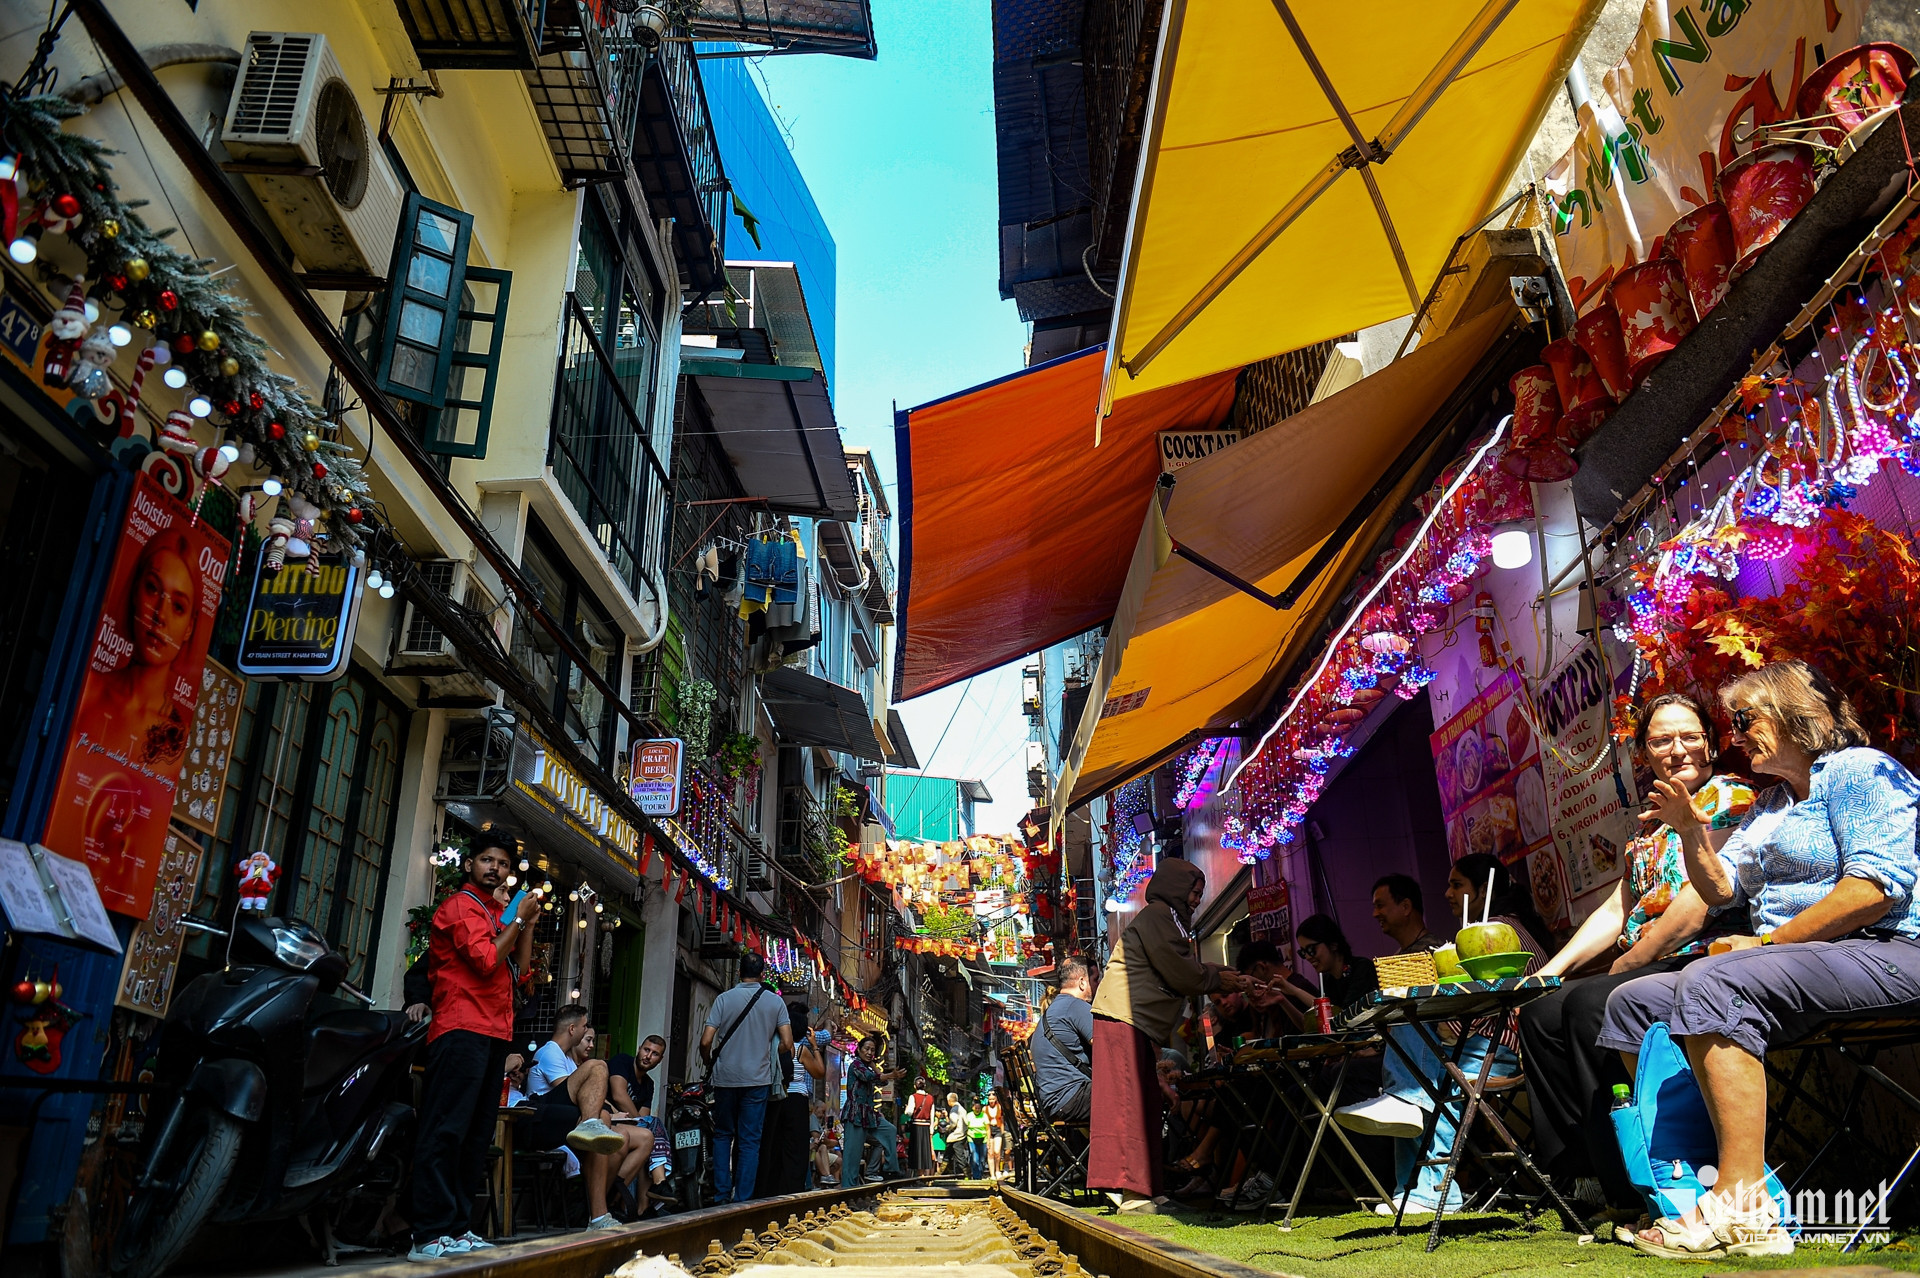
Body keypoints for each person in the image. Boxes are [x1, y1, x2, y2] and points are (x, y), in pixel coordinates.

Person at [1601, 662, 1920, 1260]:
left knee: (1712, 980)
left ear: (1796, 713)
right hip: (1811, 967)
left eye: (1745, 719)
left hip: (1893, 950)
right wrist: (1692, 835)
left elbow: (1875, 888)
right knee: (1633, 1001)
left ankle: (1746, 1210)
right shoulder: (1771, 803)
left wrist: (1769, 946)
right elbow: (1723, 891)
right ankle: (1695, 1185)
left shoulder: (1862, 771)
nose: (1736, 735)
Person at [1521, 693, 1753, 1214]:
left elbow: (1697, 909)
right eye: (1661, 740)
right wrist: (1550, 972)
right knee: (1541, 1012)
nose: (1678, 749)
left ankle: (1632, 1181)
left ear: (1711, 745)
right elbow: (1617, 907)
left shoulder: (1729, 798)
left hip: (1703, 956)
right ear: (1644, 755)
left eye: (1690, 736)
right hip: (1648, 958)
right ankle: (1578, 1175)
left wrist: (1626, 965)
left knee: (1590, 1005)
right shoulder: (1649, 824)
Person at [1335, 854, 1548, 1217]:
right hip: (1479, 1037)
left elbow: (1495, 1002)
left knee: (1428, 1073)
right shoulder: (1479, 932)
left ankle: (1431, 1187)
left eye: (1457, 885)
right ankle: (1411, 1184)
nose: (1447, 893)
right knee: (1416, 1048)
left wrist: (1451, 1025)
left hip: (1505, 1043)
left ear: (1483, 890)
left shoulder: (1500, 930)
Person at [1089, 859, 1249, 1213]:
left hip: (1134, 1019)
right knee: (1128, 1104)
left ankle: (1145, 1187)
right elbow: (1181, 972)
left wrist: (1215, 973)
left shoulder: (1165, 919)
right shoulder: (1160, 915)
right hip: (1124, 1016)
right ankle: (1131, 1191)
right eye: (1193, 892)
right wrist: (1218, 977)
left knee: (1143, 1102)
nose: (1196, 900)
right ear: (1176, 888)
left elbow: (1183, 968)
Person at [408, 831, 539, 1260]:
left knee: (475, 1134)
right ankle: (427, 1233)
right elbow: (485, 961)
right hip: (460, 1027)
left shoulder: (495, 912)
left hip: (494, 1033)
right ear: (470, 865)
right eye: (486, 860)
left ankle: (458, 1226)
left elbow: (519, 970)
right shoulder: (460, 906)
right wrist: (517, 918)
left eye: (502, 863)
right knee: (446, 1129)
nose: (495, 869)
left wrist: (526, 923)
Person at [520, 1007, 636, 1229]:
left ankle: (594, 1212)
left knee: (612, 1131)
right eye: (584, 1027)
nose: (585, 1032)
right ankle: (597, 1214)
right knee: (598, 1067)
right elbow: (573, 1092)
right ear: (572, 1029)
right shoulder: (550, 1052)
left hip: (560, 1114)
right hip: (541, 1113)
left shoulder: (565, 1056)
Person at [700, 951, 792, 1203]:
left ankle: (720, 1194)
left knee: (722, 1135)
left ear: (739, 971)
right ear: (763, 974)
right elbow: (787, 1043)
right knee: (750, 1141)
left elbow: (706, 1040)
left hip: (725, 1078)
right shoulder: (775, 1003)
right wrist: (767, 1050)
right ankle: (742, 1198)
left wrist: (709, 1060)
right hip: (757, 1080)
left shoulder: (723, 999)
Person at [757, 1002, 825, 1197]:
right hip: (796, 1100)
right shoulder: (801, 1050)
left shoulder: (777, 1046)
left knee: (775, 1143)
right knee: (796, 1147)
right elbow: (819, 1072)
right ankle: (792, 1188)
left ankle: (773, 1187)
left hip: (778, 1097)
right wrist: (815, 1047)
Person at [608, 1035, 671, 1213]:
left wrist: (640, 1122)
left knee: (649, 1138)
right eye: (646, 1050)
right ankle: (659, 1183)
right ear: (639, 1048)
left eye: (655, 1054)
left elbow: (643, 1116)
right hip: (607, 1120)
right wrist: (641, 1122)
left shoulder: (649, 1084)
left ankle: (642, 1209)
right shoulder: (622, 1062)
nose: (648, 1056)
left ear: (660, 1059)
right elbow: (619, 1095)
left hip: (629, 1130)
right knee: (652, 1125)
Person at [1030, 959, 1094, 1122]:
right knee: (1139, 1087)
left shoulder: (1053, 1011)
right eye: (1095, 979)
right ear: (1082, 982)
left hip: (1055, 1102)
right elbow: (1107, 1048)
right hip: (1072, 1099)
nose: (1099, 985)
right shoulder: (1076, 1006)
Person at [841, 1034, 907, 1184]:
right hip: (856, 1114)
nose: (870, 1052)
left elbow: (881, 1082)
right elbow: (870, 1077)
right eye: (866, 1049)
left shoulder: (867, 1066)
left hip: (869, 1114)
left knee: (889, 1130)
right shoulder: (856, 1065)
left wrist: (873, 1065)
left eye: (872, 1050)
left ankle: (890, 1169)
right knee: (853, 1156)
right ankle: (848, 1189)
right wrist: (891, 1074)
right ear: (859, 1049)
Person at [1372, 874, 1444, 953]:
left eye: (1380, 905)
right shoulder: (1401, 954)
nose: (1375, 914)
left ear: (1406, 907)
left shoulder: (1434, 953)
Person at [908, 1078, 936, 1173]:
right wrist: (931, 1130)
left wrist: (906, 1111)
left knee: (917, 1150)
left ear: (915, 1086)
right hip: (926, 1126)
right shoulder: (930, 1098)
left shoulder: (913, 1097)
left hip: (916, 1126)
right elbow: (932, 1115)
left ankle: (919, 1174)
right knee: (925, 1151)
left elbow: (909, 1111)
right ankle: (925, 1175)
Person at [963, 1099, 990, 1178]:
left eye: (979, 1108)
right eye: (976, 1108)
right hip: (972, 1139)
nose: (977, 1110)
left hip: (983, 1139)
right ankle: (976, 1176)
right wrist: (965, 1141)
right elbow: (965, 1128)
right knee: (975, 1158)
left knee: (982, 1159)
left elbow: (988, 1129)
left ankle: (980, 1173)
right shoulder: (969, 1116)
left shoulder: (984, 1116)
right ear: (972, 1108)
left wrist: (988, 1141)